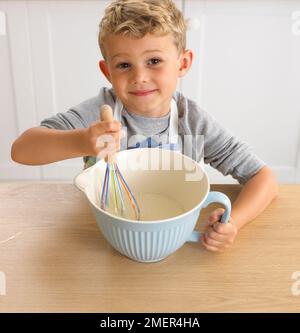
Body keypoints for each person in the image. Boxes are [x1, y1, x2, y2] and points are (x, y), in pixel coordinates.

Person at [11, 0, 278, 252]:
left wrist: (234, 223)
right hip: (102, 239)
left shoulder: (193, 122)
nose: (139, 77)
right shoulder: (99, 112)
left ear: (182, 63)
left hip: (176, 243)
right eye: (124, 65)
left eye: (154, 61)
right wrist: (81, 141)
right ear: (108, 72)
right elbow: (22, 149)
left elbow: (263, 178)